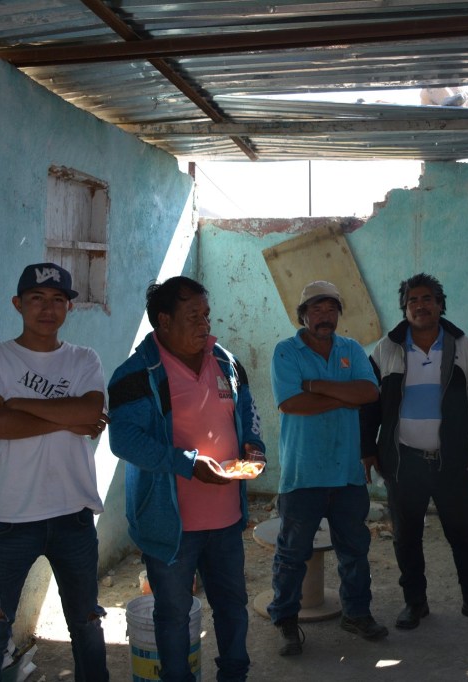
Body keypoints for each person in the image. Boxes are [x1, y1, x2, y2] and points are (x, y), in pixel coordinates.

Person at [0, 262, 110, 682]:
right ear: (17, 304)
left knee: (87, 624)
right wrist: (67, 418)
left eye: (58, 299)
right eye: (37, 299)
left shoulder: (83, 359)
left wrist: (17, 404)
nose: (47, 308)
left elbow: (90, 412)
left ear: (69, 307)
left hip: (73, 513)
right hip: (8, 516)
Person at [107, 276, 265, 682]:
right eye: (193, 316)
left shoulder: (226, 362)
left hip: (226, 519)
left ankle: (235, 674)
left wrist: (254, 446)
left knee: (232, 605)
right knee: (174, 615)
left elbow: (248, 413)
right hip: (171, 528)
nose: (204, 324)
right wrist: (187, 464)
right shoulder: (136, 374)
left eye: (206, 314)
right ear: (164, 320)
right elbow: (125, 441)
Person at [360, 273, 468, 631]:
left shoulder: (464, 347)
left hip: (451, 460)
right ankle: (415, 603)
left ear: (440, 304)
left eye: (427, 299)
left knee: (463, 534)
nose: (420, 305)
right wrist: (367, 449)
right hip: (403, 460)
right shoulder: (386, 349)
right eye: (413, 300)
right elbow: (369, 404)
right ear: (404, 308)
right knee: (407, 537)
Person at [269, 280, 388, 655]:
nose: (325, 316)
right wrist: (343, 396)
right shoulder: (286, 352)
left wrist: (317, 385)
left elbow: (369, 393)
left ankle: (357, 614)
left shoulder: (351, 349)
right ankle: (286, 621)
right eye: (316, 310)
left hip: (347, 473)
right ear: (303, 316)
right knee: (293, 554)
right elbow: (291, 404)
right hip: (302, 474)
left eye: (331, 309)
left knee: (354, 550)